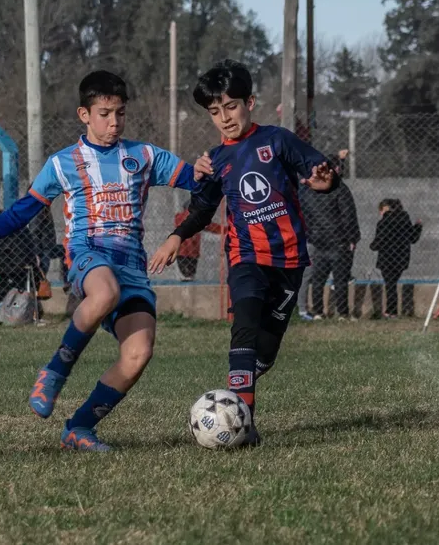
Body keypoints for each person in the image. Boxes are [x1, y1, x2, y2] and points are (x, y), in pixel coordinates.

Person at [0, 70, 201, 452]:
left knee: (138, 354)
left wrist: (211, 169)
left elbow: (200, 182)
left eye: (120, 113)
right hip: (88, 253)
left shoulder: (145, 156)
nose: (114, 122)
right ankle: (55, 370)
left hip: (132, 266)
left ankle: (78, 428)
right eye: (104, 114)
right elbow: (21, 212)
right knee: (104, 292)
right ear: (84, 114)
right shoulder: (63, 163)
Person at [150, 59, 336, 446]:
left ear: (249, 103)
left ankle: (244, 385)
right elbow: (202, 209)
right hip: (246, 256)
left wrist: (326, 181)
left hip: (289, 260)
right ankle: (244, 427)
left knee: (264, 352)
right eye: (215, 111)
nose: (224, 118)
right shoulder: (215, 161)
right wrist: (175, 236)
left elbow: (320, 170)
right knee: (244, 327)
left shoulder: (277, 140)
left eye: (231, 107)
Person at [297, 155, 360, 319]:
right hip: (339, 242)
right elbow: (348, 215)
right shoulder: (340, 189)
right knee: (340, 279)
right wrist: (352, 238)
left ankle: (318, 312)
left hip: (318, 242)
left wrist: (311, 235)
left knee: (318, 279)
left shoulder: (308, 191)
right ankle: (342, 313)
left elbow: (305, 215)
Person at [370, 198, 422, 318]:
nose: (380, 213)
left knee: (390, 285)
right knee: (392, 283)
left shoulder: (383, 223)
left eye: (381, 210)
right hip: (401, 259)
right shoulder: (404, 220)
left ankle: (391, 311)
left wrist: (372, 246)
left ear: (386, 209)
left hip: (386, 259)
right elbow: (413, 238)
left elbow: (378, 242)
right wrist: (418, 226)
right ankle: (391, 310)